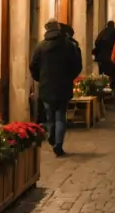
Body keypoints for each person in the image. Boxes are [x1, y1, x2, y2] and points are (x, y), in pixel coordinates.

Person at [29, 19, 83, 156]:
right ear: (58, 28)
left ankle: (52, 135)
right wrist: (69, 77)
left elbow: (33, 65)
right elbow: (77, 65)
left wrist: (40, 78)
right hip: (63, 85)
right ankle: (58, 143)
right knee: (60, 115)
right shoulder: (68, 45)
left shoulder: (40, 47)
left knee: (49, 115)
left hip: (46, 86)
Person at [92, 20, 115, 107]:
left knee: (102, 79)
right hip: (112, 60)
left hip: (102, 60)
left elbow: (96, 43)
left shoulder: (102, 33)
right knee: (114, 79)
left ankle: (102, 101)